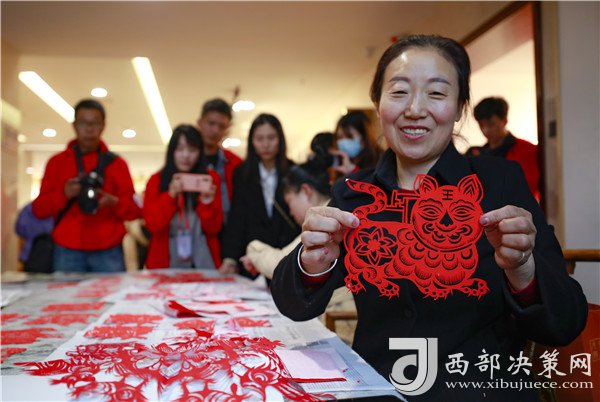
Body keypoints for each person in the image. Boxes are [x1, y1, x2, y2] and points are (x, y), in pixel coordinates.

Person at [271, 35, 587, 401]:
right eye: (399, 92)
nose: (415, 109)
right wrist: (313, 265)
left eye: (436, 93)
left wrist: (523, 270)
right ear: (378, 104)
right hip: (381, 389)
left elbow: (566, 322)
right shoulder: (354, 193)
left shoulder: (499, 182)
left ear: (460, 107)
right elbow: (293, 305)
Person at [32, 99, 141, 272]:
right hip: (67, 247)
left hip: (108, 247)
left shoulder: (117, 164)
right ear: (74, 125)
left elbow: (135, 211)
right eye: (83, 123)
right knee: (66, 291)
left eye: (95, 123)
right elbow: (39, 209)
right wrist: (64, 194)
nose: (89, 129)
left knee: (111, 291)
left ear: (103, 126)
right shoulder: (57, 163)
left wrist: (114, 202)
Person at [220, 113, 300, 275]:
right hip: (252, 257)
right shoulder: (242, 173)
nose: (265, 144)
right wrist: (230, 257)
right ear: (252, 141)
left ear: (280, 139)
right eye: (259, 139)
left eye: (271, 138)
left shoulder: (293, 171)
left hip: (285, 254)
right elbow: (237, 217)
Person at [143, 125, 223, 269]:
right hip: (165, 261)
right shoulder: (157, 180)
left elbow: (214, 228)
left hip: (203, 260)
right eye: (180, 149)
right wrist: (170, 196)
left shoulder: (210, 179)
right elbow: (153, 225)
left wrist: (206, 204)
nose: (186, 155)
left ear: (200, 152)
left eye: (192, 150)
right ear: (172, 152)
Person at [241, 157, 331, 279]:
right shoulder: (331, 212)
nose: (291, 212)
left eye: (289, 202)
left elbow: (281, 264)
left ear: (306, 191)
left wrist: (253, 250)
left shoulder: (322, 220)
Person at [467, 96, 540, 200]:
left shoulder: (527, 150)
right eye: (481, 125)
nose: (485, 130)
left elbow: (528, 188)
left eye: (491, 124)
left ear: (504, 120)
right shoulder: (477, 153)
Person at [196, 98, 243, 222]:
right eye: (211, 123)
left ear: (227, 129)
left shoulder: (236, 163)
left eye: (222, 126)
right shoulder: (185, 161)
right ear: (200, 122)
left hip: (228, 227)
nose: (215, 130)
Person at [331, 110, 381, 177]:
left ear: (364, 138)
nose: (344, 141)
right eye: (340, 137)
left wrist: (353, 171)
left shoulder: (381, 161)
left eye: (349, 137)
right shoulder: (340, 162)